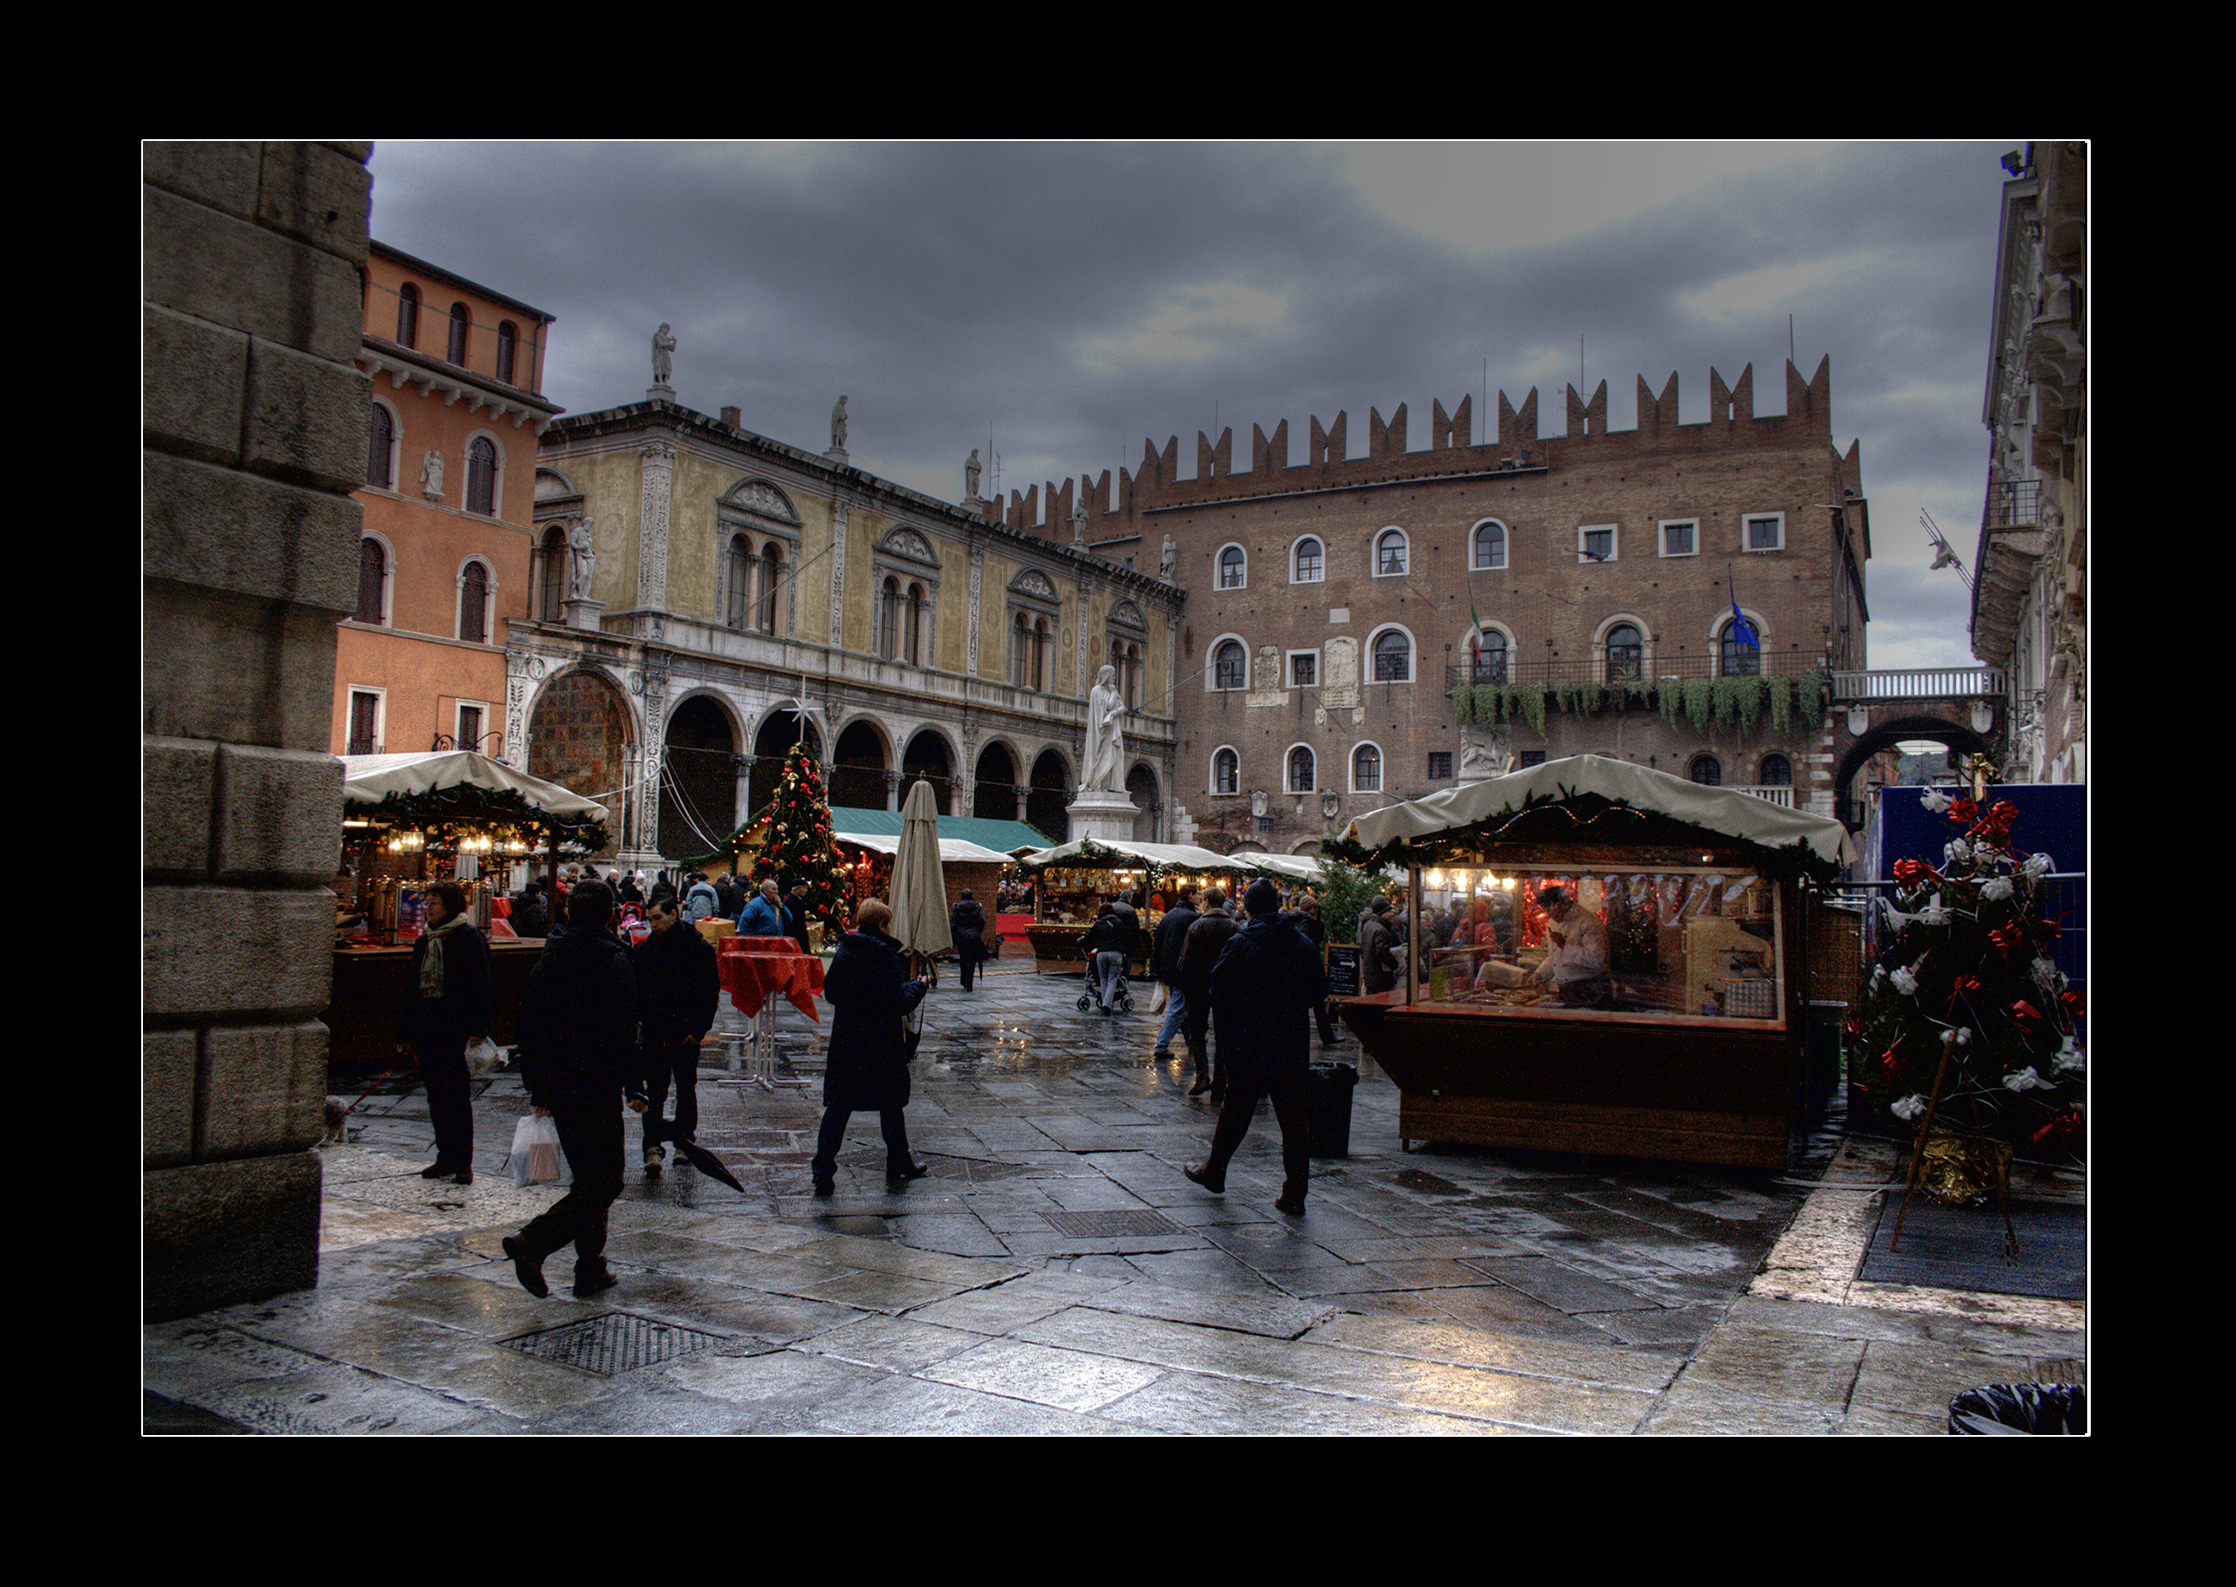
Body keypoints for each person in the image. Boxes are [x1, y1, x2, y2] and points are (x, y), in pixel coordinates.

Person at [503, 881, 643, 1300]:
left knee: (588, 1178)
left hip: (559, 1084)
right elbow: (624, 1030)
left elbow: (530, 1025)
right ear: (609, 914)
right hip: (595, 1083)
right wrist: (634, 1083)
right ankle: (534, 1241)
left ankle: (590, 1267)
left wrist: (538, 1087)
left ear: (568, 913)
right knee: (606, 1181)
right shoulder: (613, 959)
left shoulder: (551, 956)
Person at [1184, 878, 1329, 1216]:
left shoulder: (1241, 943)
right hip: (1289, 1042)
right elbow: (1317, 992)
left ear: (1248, 907)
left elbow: (1217, 989)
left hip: (1248, 1040)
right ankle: (1295, 1191)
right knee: (1294, 1120)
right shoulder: (1302, 944)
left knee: (1236, 1110)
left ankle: (1215, 1171)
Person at [809, 899, 931, 1196]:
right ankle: (899, 1161)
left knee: (838, 1107)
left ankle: (823, 1169)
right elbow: (899, 1001)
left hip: (847, 1043)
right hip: (881, 1045)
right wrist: (919, 986)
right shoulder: (885, 956)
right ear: (881, 925)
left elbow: (832, 993)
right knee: (890, 1105)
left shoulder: (845, 951)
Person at [396, 881, 493, 1185]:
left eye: (434, 903)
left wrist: (478, 1028)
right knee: (436, 1096)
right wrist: (406, 1032)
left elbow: (482, 985)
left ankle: (462, 1160)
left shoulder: (467, 937)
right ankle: (445, 1157)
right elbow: (412, 988)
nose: (428, 908)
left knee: (456, 1096)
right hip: (429, 1028)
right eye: (426, 903)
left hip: (456, 1028)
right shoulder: (426, 940)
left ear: (450, 906)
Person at [633, 893, 721, 1177]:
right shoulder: (646, 951)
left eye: (657, 918)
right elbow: (640, 995)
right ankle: (652, 1145)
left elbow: (709, 993)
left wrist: (699, 1029)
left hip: (686, 1033)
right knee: (655, 1091)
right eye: (650, 920)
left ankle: (684, 1140)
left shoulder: (698, 948)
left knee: (685, 1087)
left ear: (674, 913)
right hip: (656, 1032)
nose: (653, 924)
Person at [1177, 885, 1239, 1096]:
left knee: (1197, 1032)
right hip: (1226, 988)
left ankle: (1202, 1075)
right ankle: (1220, 1079)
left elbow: (1184, 961)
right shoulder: (1234, 927)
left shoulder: (1197, 927)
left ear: (1206, 901)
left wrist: (1185, 984)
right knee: (1223, 1034)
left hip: (1198, 986)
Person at [1150, 883, 1200, 1060]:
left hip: (1167, 968)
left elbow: (1157, 943)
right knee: (1178, 1006)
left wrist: (1157, 969)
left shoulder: (1169, 915)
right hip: (1182, 969)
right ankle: (1161, 1044)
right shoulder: (1192, 917)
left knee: (1182, 1007)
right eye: (1198, 894)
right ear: (1191, 895)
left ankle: (1192, 1043)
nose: (1200, 897)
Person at [1530, 886, 1610, 994]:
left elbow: (1596, 959)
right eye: (1545, 911)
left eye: (1550, 910)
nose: (1549, 915)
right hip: (1565, 989)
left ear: (1560, 904)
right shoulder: (1553, 923)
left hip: (1589, 990)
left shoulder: (1588, 922)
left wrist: (1564, 946)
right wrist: (1539, 974)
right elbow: (1555, 957)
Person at [1288, 891, 1341, 1045]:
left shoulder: (1296, 920)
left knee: (1312, 1002)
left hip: (1300, 968)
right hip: (1307, 968)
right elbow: (1311, 942)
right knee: (1315, 1001)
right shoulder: (1305, 922)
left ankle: (1326, 1035)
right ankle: (1325, 1035)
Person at [1080, 901, 1132, 1014]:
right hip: (1115, 953)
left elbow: (1089, 937)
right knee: (1112, 979)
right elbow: (1127, 938)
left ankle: (1105, 1001)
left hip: (1101, 953)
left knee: (1103, 979)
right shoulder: (1118, 923)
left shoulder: (1098, 924)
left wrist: (1082, 940)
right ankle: (1107, 1005)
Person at [949, 888, 990, 991]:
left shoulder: (957, 908)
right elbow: (982, 921)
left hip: (961, 937)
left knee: (963, 958)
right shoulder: (977, 907)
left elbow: (953, 924)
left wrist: (956, 934)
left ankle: (963, 980)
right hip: (974, 937)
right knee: (971, 959)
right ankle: (969, 981)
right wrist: (977, 931)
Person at [1358, 896, 1400, 994]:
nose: (1391, 915)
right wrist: (1394, 964)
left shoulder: (1369, 925)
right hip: (1380, 975)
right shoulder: (1381, 930)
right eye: (1389, 912)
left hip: (1370, 973)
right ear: (1382, 914)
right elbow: (1382, 952)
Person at [783, 879, 815, 957]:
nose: (805, 890)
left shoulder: (800, 900)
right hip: (795, 934)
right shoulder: (789, 902)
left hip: (800, 933)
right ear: (797, 889)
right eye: (804, 888)